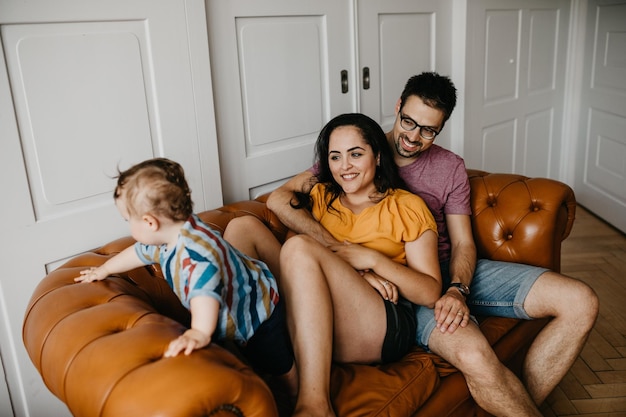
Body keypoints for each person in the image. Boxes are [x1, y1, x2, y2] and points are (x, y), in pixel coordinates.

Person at [267, 72, 599, 416]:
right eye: (408, 121)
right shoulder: (358, 148)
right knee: (474, 355)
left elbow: (463, 243)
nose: (413, 137)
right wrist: (346, 253)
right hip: (399, 286)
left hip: (442, 272)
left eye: (428, 130)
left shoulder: (449, 167)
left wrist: (457, 289)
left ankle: (520, 405)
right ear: (397, 107)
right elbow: (281, 198)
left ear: (441, 127)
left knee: (581, 301)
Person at [74, 157, 297, 393]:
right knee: (251, 358)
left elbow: (205, 298)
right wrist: (105, 269)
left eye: (129, 220)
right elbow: (139, 253)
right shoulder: (170, 236)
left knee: (278, 361)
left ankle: (296, 390)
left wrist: (198, 332)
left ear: (150, 222)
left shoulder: (198, 257)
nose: (129, 227)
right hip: (232, 312)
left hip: (259, 313)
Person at [270, 113, 441, 416]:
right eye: (335, 157)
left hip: (382, 320)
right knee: (242, 229)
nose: (344, 166)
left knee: (297, 247)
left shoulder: (405, 206)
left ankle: (315, 404)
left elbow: (429, 292)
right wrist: (353, 266)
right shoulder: (322, 193)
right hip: (323, 310)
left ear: (377, 155)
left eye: (355, 154)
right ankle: (284, 369)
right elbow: (276, 200)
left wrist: (373, 260)